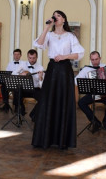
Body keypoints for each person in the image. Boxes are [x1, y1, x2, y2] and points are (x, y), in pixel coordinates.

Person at [32, 10, 84, 149]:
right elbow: (39, 44)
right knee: (49, 100)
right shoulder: (49, 34)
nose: (56, 17)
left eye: (58, 15)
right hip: (52, 69)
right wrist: (46, 27)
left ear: (64, 20)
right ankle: (45, 139)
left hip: (65, 69)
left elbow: (79, 54)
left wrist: (64, 56)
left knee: (63, 100)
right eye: (54, 15)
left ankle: (63, 140)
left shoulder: (70, 36)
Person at [75, 51, 106, 132]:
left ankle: (105, 122)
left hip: (105, 95)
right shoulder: (86, 69)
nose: (94, 62)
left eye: (96, 59)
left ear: (100, 58)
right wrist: (84, 81)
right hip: (93, 94)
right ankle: (95, 122)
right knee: (81, 103)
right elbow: (75, 80)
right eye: (92, 60)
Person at [12, 49, 44, 121]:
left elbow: (41, 86)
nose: (32, 60)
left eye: (33, 58)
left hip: (35, 89)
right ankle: (20, 112)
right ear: (27, 57)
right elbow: (13, 73)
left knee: (44, 98)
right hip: (24, 88)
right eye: (30, 58)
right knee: (17, 92)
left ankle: (33, 114)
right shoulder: (23, 64)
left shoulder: (40, 68)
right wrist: (21, 74)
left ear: (36, 57)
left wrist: (40, 78)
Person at [0, 48, 24, 113]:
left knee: (18, 88)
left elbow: (24, 74)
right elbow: (7, 73)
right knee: (3, 86)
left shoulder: (23, 63)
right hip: (10, 81)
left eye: (18, 54)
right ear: (13, 55)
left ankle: (17, 106)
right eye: (15, 54)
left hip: (19, 82)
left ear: (20, 55)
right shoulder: (10, 63)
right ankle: (6, 104)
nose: (16, 56)